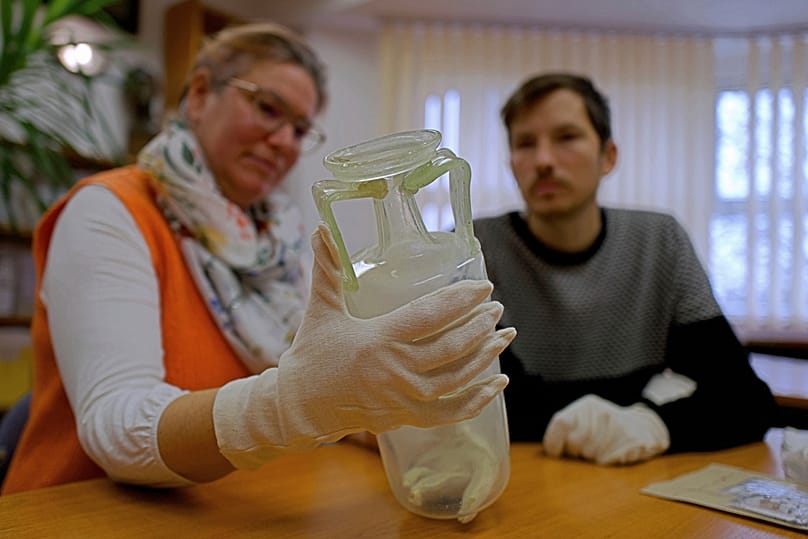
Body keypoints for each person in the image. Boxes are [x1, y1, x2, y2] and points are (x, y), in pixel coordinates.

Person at [1, 22, 514, 494]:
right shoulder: (109, 212)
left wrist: (421, 422)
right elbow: (118, 428)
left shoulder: (279, 237)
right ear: (199, 95)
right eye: (268, 109)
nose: (284, 141)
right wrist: (293, 404)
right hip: (81, 512)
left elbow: (325, 384)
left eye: (299, 128)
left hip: (236, 507)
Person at [473, 72, 777, 465]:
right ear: (511, 164)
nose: (544, 160)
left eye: (567, 137)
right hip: (523, 474)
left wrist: (654, 424)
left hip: (636, 476)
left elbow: (743, 398)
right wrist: (638, 400)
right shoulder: (475, 249)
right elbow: (481, 406)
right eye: (525, 144)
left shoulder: (659, 240)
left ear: (608, 156)